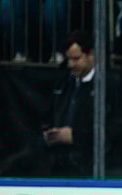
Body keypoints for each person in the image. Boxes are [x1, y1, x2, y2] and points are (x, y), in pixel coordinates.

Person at [43, 30, 96, 177]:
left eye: (76, 58)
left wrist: (75, 136)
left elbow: (112, 130)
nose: (71, 64)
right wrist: (49, 133)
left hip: (89, 167)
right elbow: (49, 114)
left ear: (91, 55)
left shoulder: (107, 85)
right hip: (59, 164)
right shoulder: (63, 83)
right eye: (69, 59)